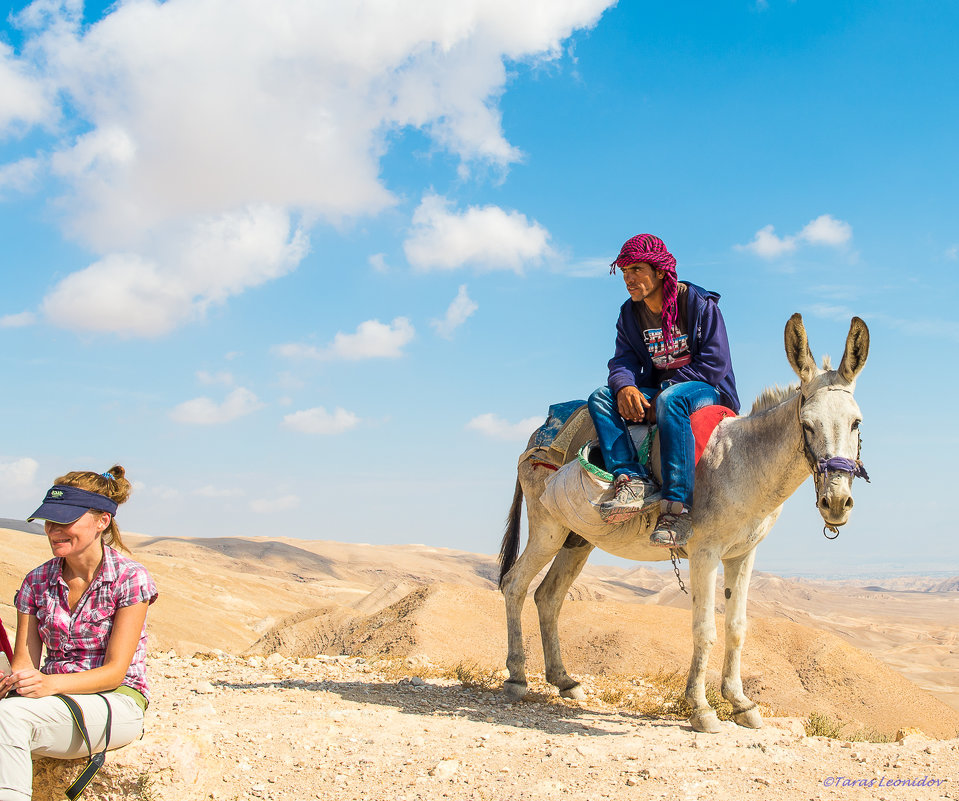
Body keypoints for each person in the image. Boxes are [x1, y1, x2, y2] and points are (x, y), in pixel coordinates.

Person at [0, 466, 157, 801]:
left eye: (65, 520)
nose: (54, 530)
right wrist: (16, 681)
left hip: (116, 702)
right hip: (50, 702)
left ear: (102, 521)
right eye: (49, 520)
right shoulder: (35, 581)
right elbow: (24, 664)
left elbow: (115, 673)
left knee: (7, 718)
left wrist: (49, 683)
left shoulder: (130, 579)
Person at [588, 234, 740, 548]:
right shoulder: (630, 314)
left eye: (637, 270)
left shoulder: (698, 304)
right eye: (625, 271)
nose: (629, 278)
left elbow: (715, 362)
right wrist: (625, 387)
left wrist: (666, 389)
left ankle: (677, 509)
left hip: (703, 389)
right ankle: (632, 479)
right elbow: (623, 359)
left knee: (672, 400)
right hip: (656, 391)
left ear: (659, 272)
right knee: (600, 397)